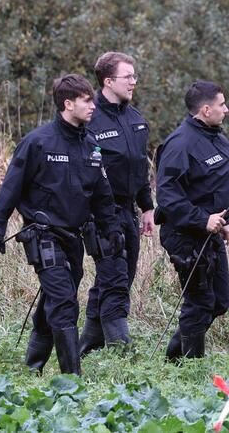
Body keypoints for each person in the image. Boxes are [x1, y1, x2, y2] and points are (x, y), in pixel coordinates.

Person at [0, 74, 119, 375]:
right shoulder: (37, 142)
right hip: (43, 236)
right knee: (63, 300)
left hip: (74, 238)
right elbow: (10, 190)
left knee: (55, 299)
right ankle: (72, 379)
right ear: (67, 104)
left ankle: (33, 367)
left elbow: (101, 195)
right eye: (86, 100)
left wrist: (112, 230)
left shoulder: (92, 147)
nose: (93, 105)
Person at [79, 52, 154, 355]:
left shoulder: (136, 120)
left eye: (135, 76)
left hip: (128, 210)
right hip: (99, 213)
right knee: (114, 277)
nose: (134, 82)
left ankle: (87, 344)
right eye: (128, 77)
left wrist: (147, 206)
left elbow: (140, 167)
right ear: (109, 81)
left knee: (124, 275)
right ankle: (120, 349)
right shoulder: (89, 119)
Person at [154, 80, 229, 360]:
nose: (226, 109)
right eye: (221, 104)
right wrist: (202, 220)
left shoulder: (217, 138)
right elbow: (167, 196)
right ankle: (190, 366)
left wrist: (222, 222)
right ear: (205, 109)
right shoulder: (180, 144)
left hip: (210, 233)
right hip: (185, 235)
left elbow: (213, 187)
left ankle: (174, 357)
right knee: (199, 302)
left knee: (219, 301)